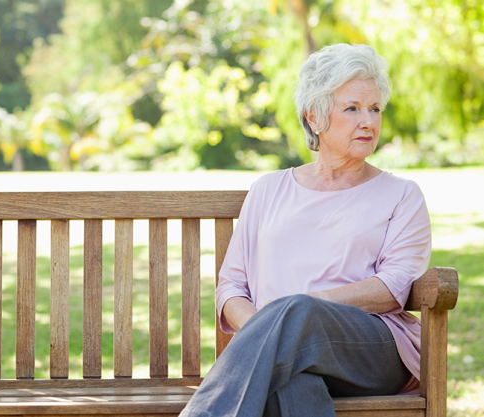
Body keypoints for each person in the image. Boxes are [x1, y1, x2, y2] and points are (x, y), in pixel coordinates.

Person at [179, 43, 431, 417]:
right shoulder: (268, 190)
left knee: (297, 315)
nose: (369, 121)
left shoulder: (401, 195)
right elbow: (231, 287)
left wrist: (300, 310)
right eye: (352, 108)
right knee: (293, 381)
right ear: (314, 117)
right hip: (287, 352)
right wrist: (267, 330)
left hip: (372, 351)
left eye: (375, 108)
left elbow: (392, 287)